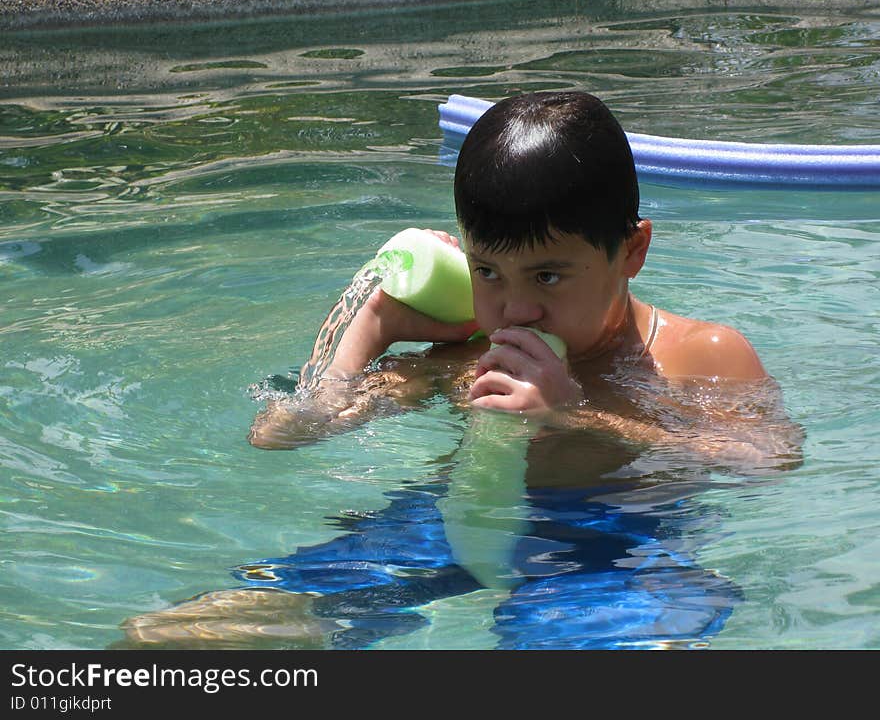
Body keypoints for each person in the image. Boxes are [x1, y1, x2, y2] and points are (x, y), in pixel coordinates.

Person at [117, 91, 802, 649]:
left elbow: (765, 459)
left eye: (549, 274)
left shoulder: (699, 353)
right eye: (487, 272)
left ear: (632, 251)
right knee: (185, 642)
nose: (516, 308)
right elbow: (285, 432)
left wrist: (571, 413)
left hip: (614, 540)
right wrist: (372, 324)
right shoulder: (472, 351)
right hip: (450, 519)